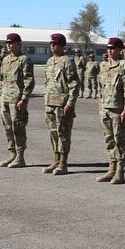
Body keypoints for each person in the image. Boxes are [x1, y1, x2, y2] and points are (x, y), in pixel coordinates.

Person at [97, 37, 125, 184]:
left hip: (119, 109)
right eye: (108, 48)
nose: (109, 51)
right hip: (106, 109)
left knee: (120, 141)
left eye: (112, 48)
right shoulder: (104, 66)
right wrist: (100, 107)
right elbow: (101, 88)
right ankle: (111, 169)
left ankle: (120, 172)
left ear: (120, 50)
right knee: (109, 140)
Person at [42, 33, 80, 174]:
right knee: (53, 133)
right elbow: (47, 83)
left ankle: (63, 163)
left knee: (63, 133)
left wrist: (70, 103)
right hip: (50, 103)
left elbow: (74, 85)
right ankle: (56, 159)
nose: (52, 46)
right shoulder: (50, 61)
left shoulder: (67, 62)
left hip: (62, 104)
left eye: (55, 44)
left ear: (62, 46)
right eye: (51, 43)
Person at [0, 33, 35, 168]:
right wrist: (0, 94)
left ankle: (20, 157)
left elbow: (29, 81)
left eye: (11, 42)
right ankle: (12, 154)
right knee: (7, 128)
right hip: (5, 99)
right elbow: (1, 79)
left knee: (18, 127)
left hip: (17, 100)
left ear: (18, 44)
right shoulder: (6, 60)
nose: (8, 45)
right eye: (7, 42)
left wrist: (24, 99)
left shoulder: (24, 60)